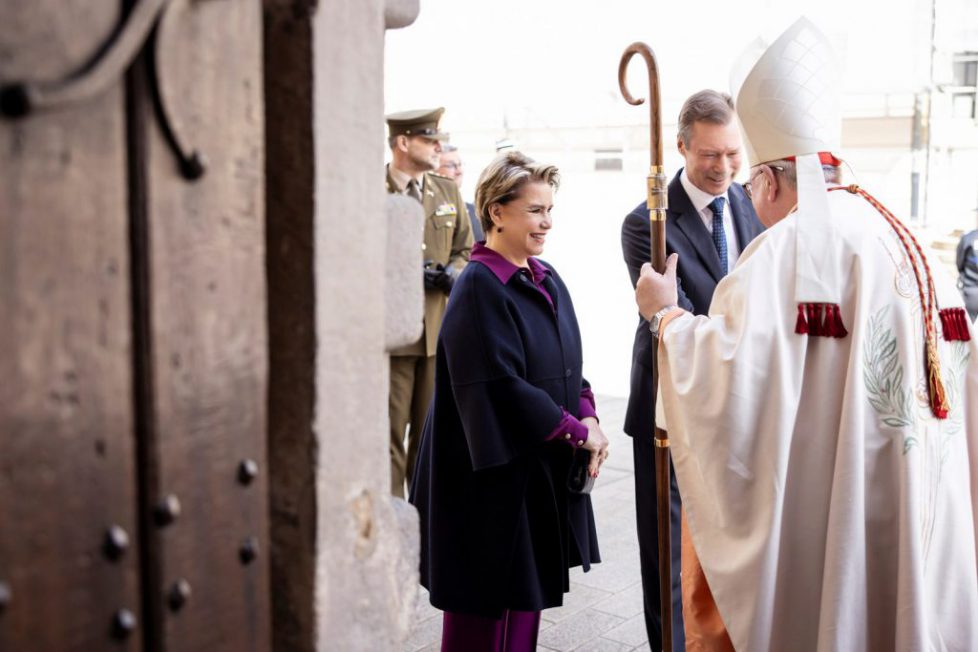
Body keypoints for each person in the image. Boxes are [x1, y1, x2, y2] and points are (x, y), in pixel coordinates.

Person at [634, 18, 978, 650]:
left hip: (848, 514)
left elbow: (729, 381)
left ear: (767, 179)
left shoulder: (788, 250)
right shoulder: (910, 240)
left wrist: (666, 318)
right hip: (923, 510)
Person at [410, 151, 610, 651]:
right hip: (485, 484)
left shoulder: (546, 278)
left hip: (530, 477)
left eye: (549, 210)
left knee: (524, 604)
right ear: (496, 213)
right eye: (535, 210)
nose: (546, 222)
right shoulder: (479, 285)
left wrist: (587, 413)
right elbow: (502, 386)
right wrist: (577, 431)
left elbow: (569, 367)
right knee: (482, 616)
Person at [620, 89, 763, 651]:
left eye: (732, 153)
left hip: (738, 398)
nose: (724, 167)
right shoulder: (647, 224)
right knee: (670, 550)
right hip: (669, 403)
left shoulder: (752, 202)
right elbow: (677, 314)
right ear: (680, 147)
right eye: (710, 155)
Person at [385, 107, 473, 498]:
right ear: (403, 142)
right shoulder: (371, 190)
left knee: (429, 437)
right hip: (389, 337)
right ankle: (390, 519)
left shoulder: (446, 190)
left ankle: (422, 524)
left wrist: (451, 273)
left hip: (436, 332)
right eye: (429, 139)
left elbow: (466, 249)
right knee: (387, 439)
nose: (438, 147)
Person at [437, 143, 484, 242]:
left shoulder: (474, 211)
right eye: (451, 166)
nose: (459, 171)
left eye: (460, 164)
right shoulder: (427, 209)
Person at [956, 224, 978, 320]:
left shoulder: (968, 237)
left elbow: (959, 263)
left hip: (970, 290)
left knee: (968, 329)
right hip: (971, 290)